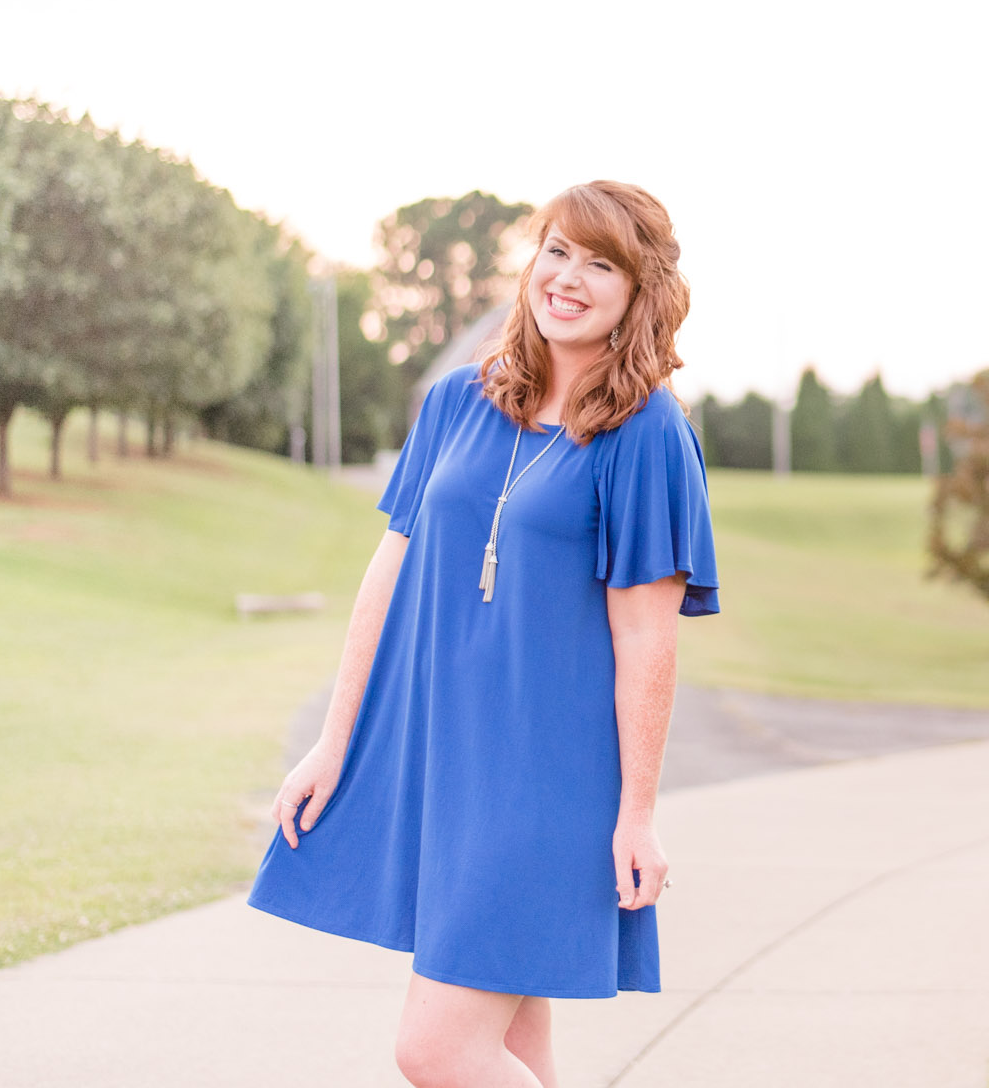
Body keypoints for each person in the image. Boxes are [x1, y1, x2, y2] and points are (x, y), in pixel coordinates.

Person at [248, 181, 719, 1088]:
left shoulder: (646, 431)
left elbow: (647, 644)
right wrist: (333, 741)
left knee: (437, 1050)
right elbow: (387, 577)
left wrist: (638, 812)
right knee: (511, 1054)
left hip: (549, 788)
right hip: (449, 763)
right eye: (556, 251)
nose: (569, 279)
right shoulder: (457, 403)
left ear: (638, 291)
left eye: (601, 264)